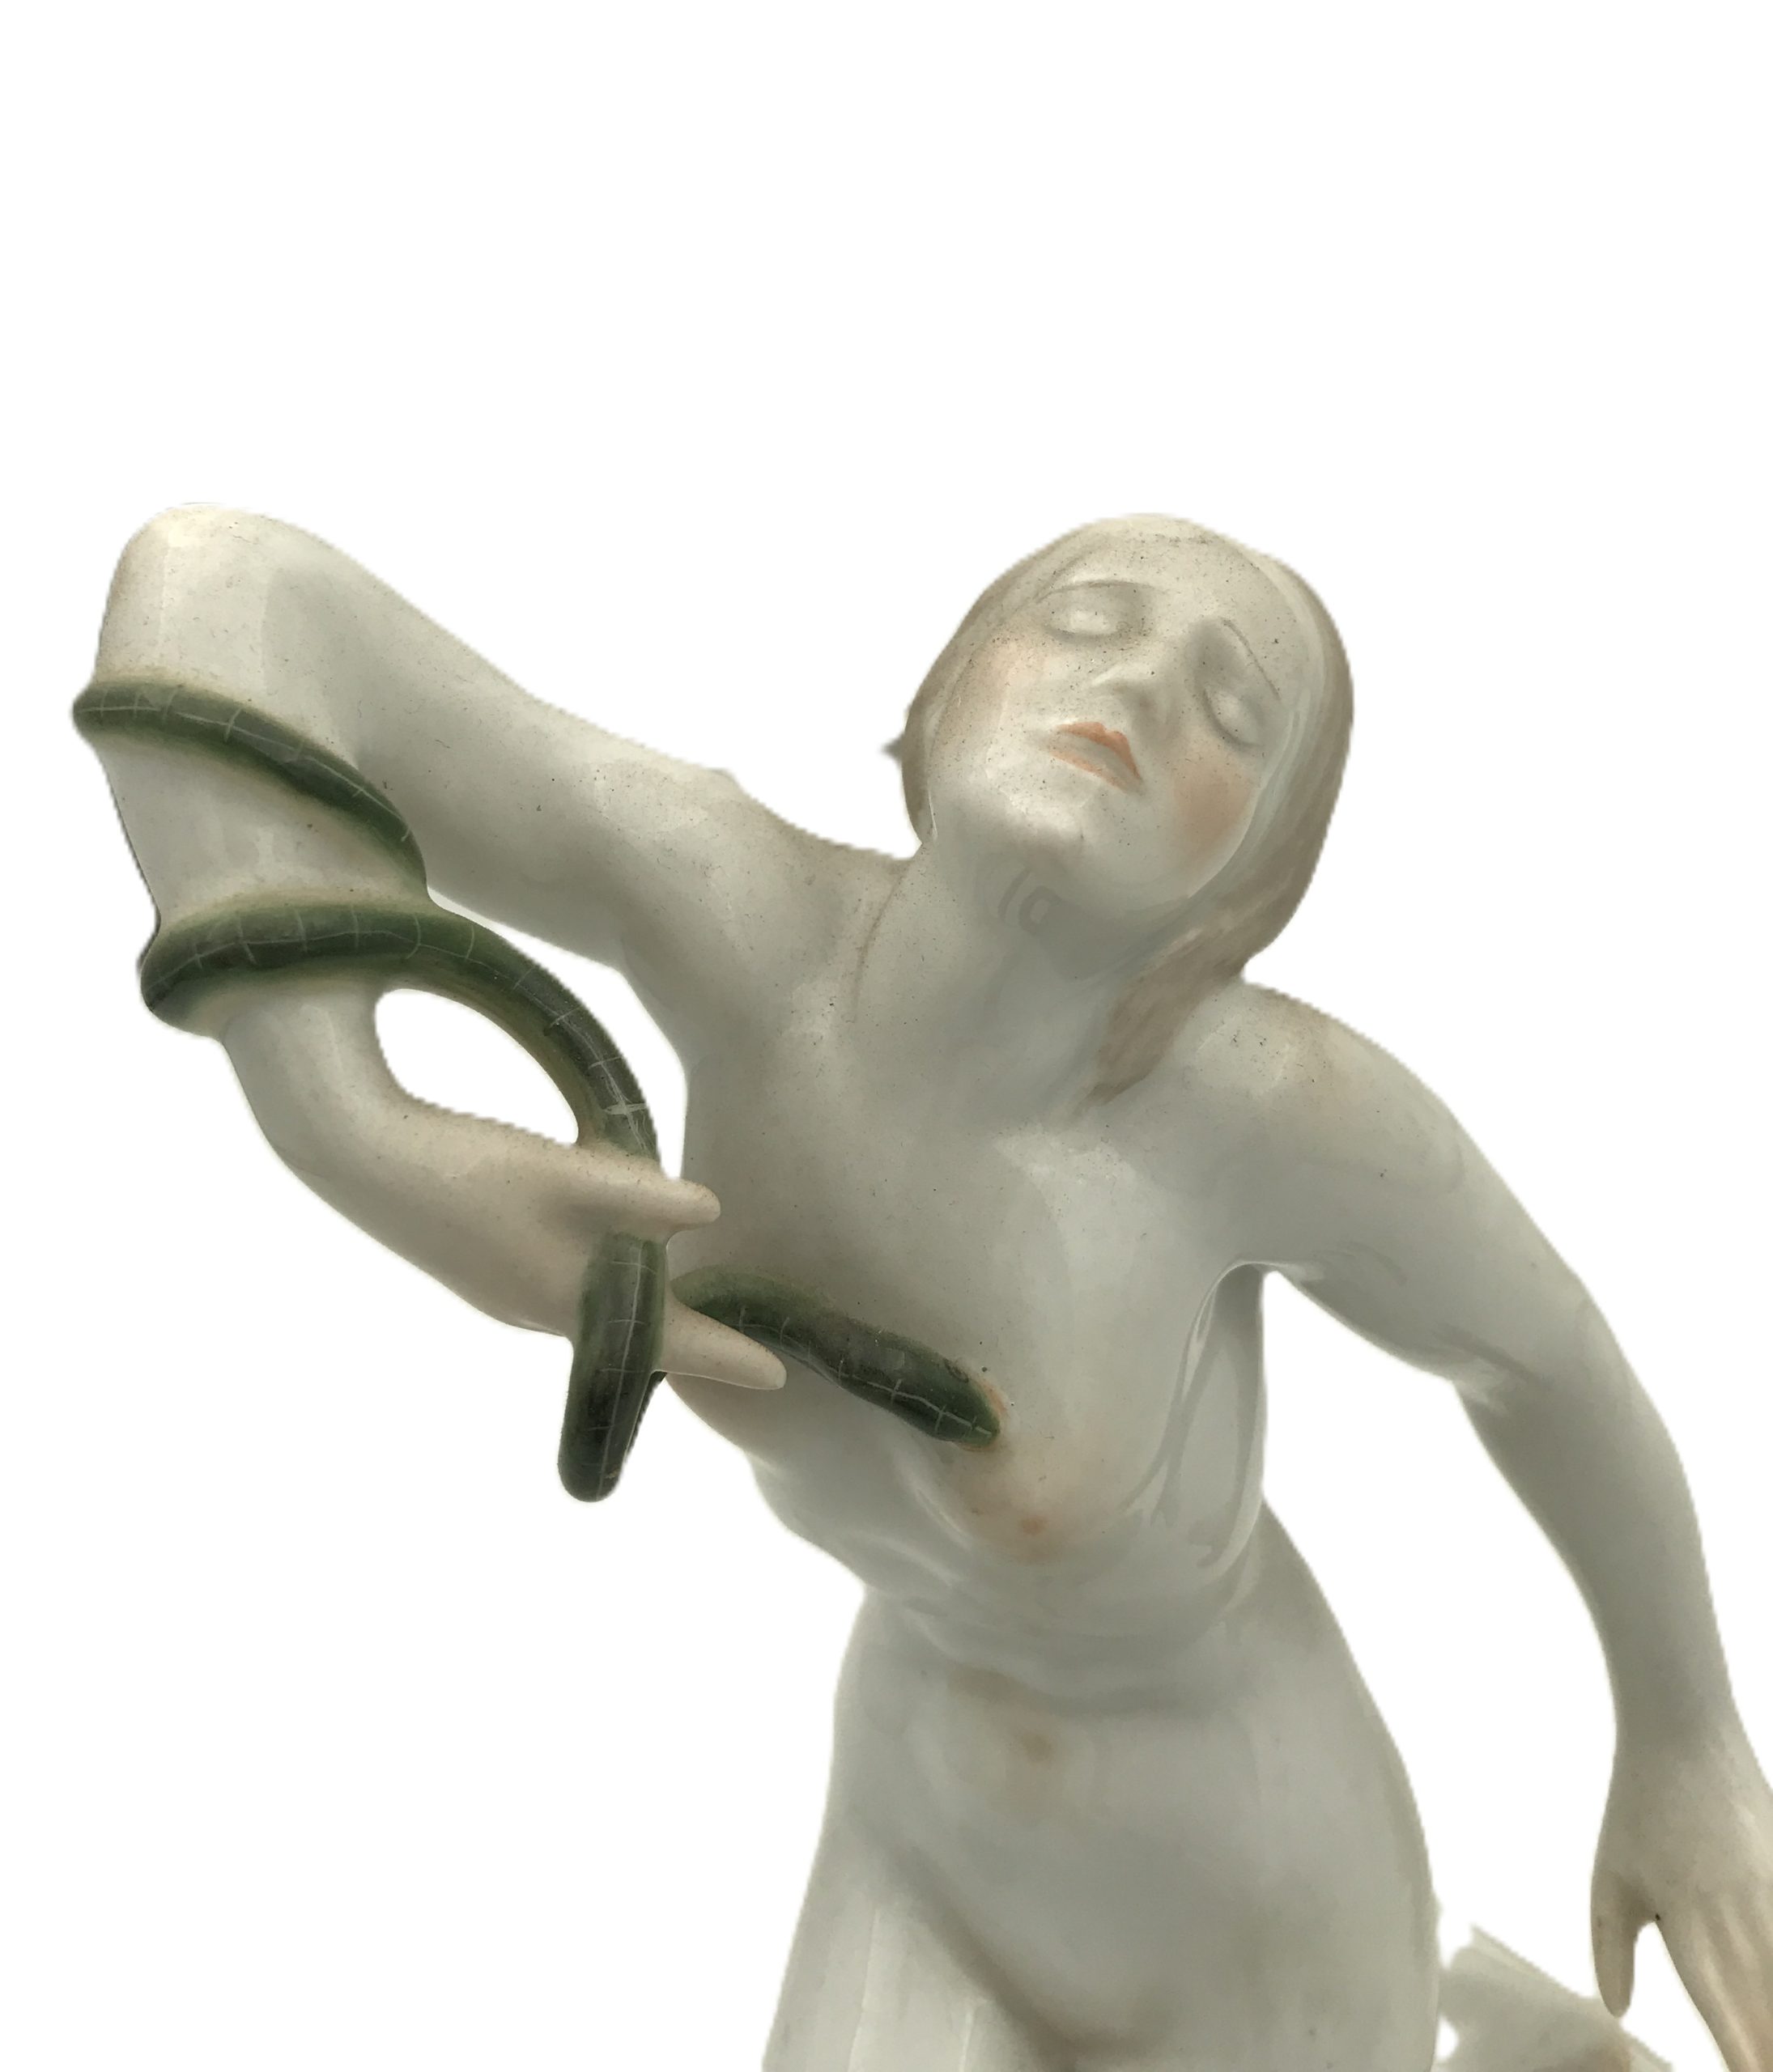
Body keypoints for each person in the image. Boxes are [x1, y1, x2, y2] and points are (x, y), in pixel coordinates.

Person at [83, 507, 1773, 2070]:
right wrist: (352, 1126)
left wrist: (1686, 1739)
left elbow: (1548, 1362)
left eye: (1233, 709)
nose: (1139, 685)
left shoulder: (1264, 1110)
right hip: (921, 1825)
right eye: (1087, 620)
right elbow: (223, 589)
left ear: (1246, 878)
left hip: (1250, 1886)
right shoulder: (733, 912)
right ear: (949, 690)